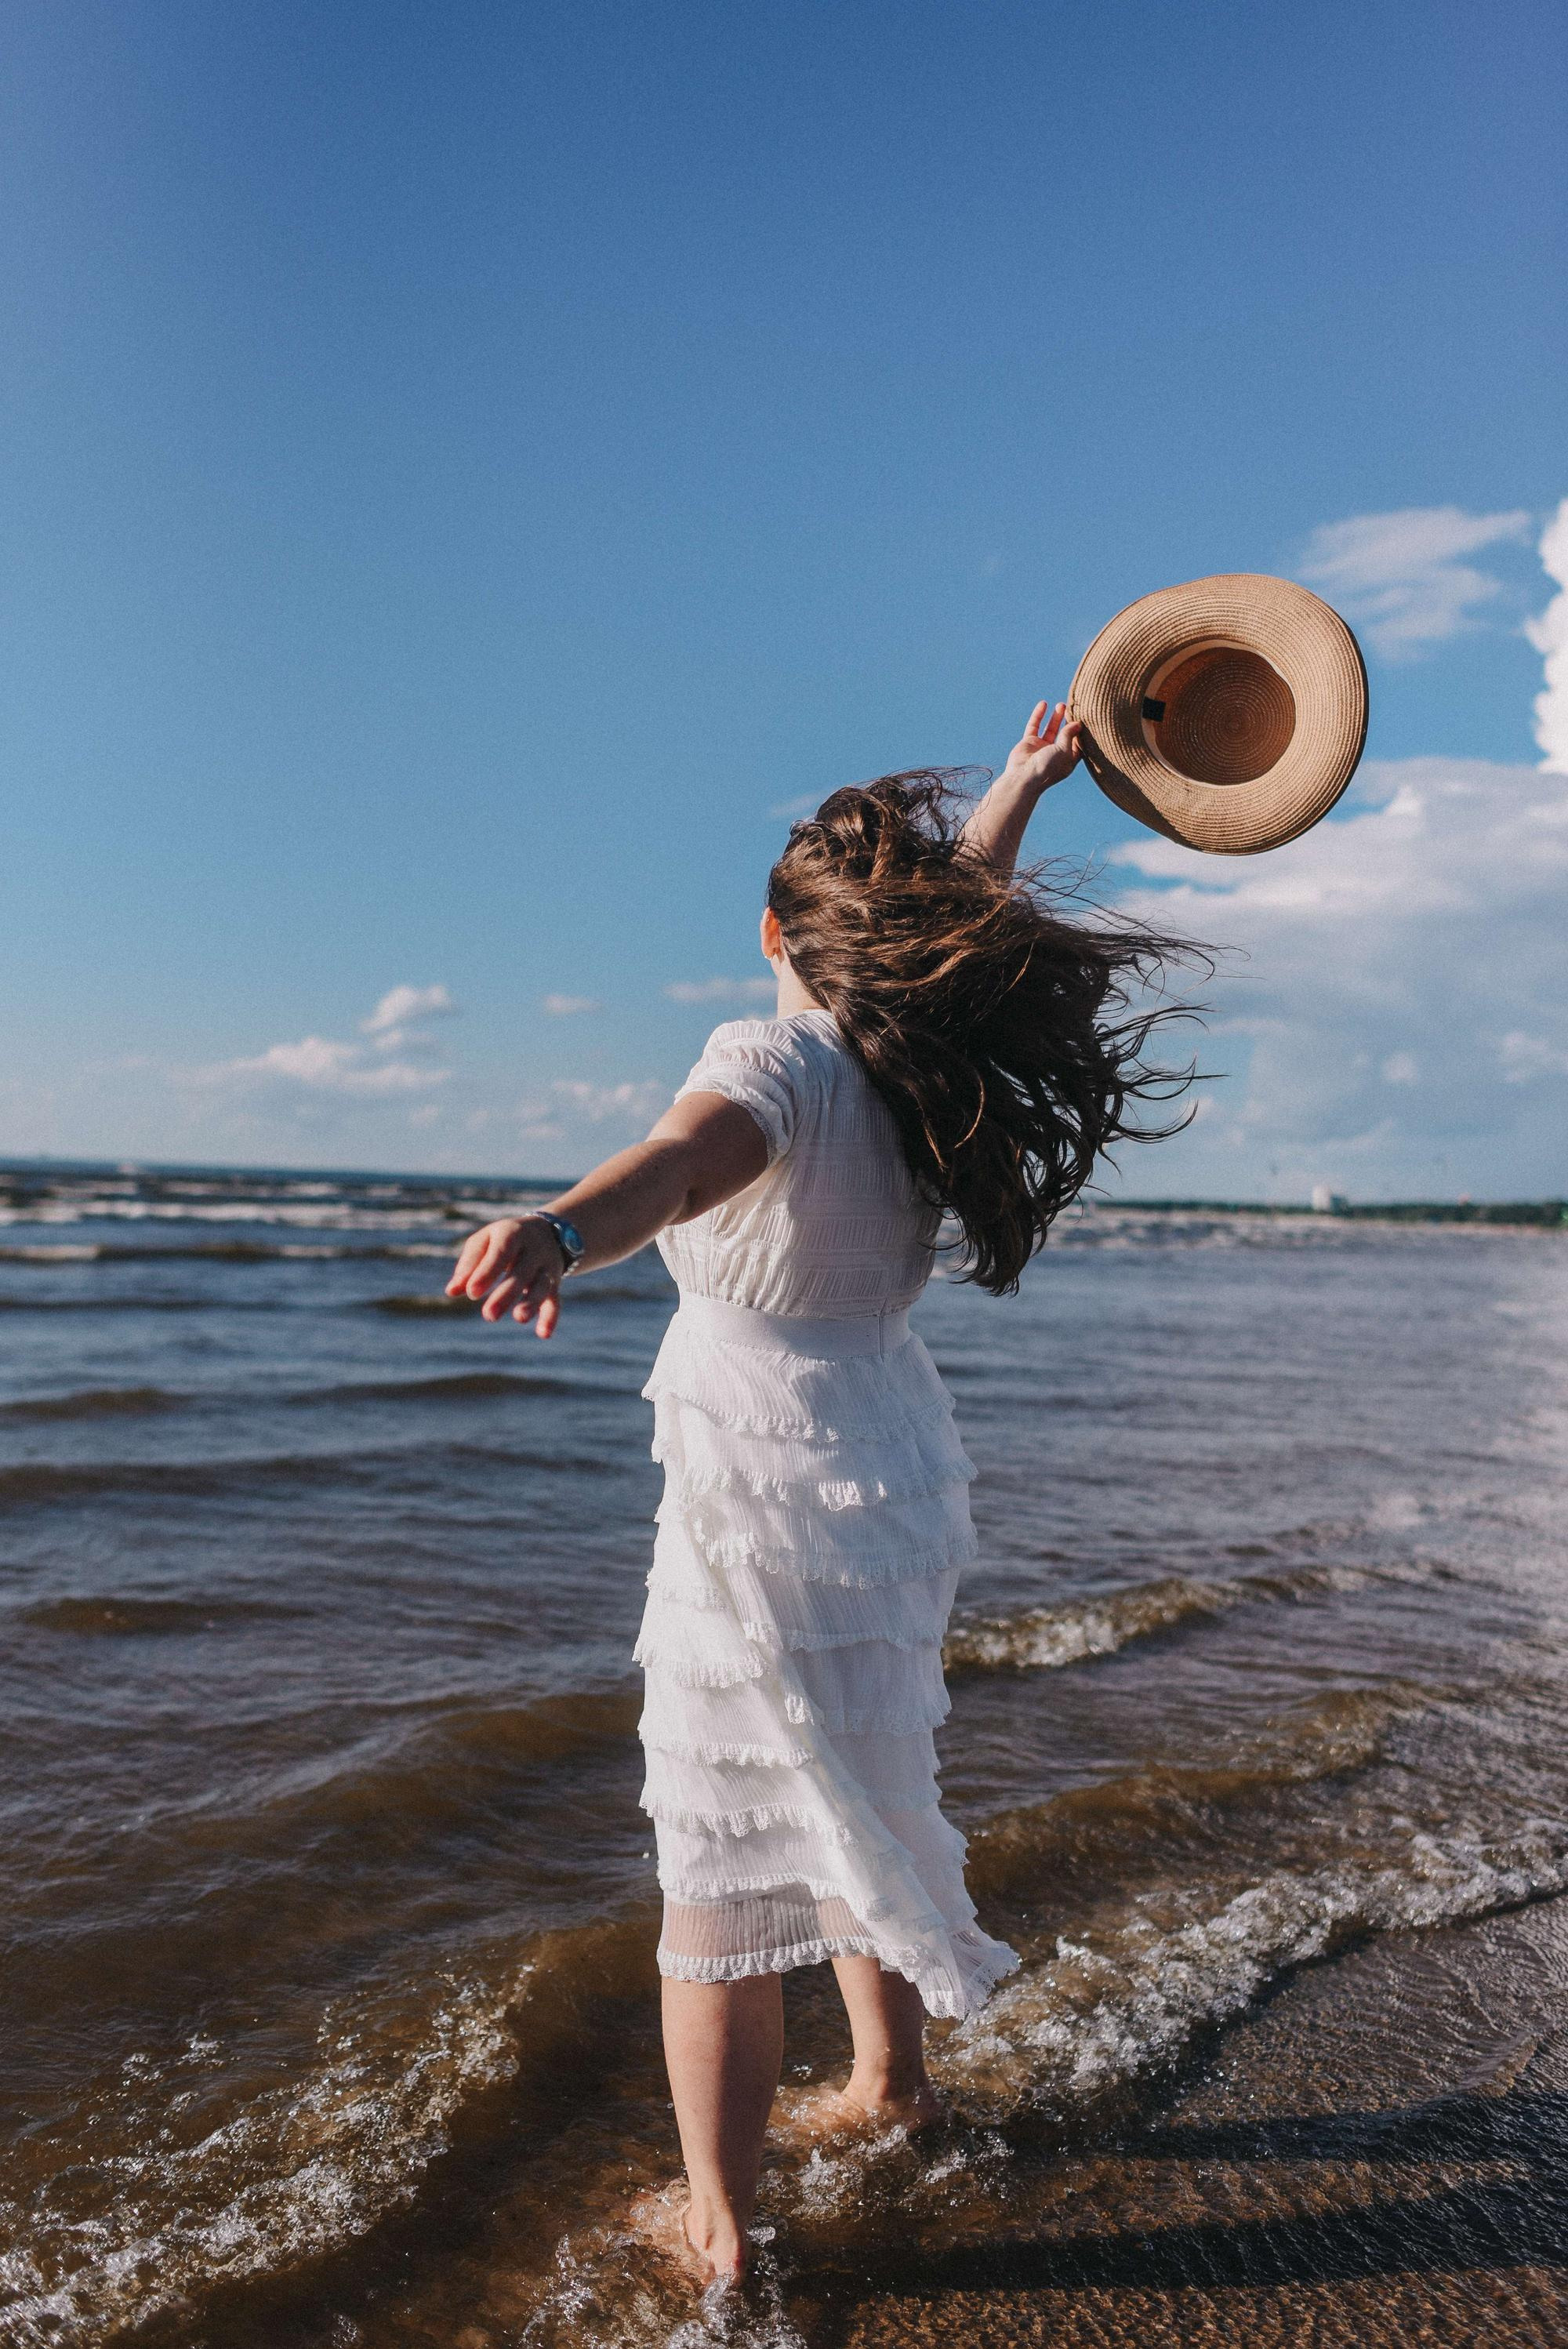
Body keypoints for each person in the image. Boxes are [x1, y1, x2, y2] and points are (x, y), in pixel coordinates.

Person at [446, 701, 1197, 2287]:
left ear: (773, 931)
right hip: (887, 1463)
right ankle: (892, 2086)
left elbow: (678, 1165)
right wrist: (1010, 792)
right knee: (859, 1775)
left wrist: (559, 1230)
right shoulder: (921, 1065)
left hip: (759, 1482)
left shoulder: (769, 1055)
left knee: (720, 1844)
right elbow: (942, 949)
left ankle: (722, 2230)